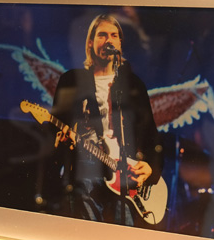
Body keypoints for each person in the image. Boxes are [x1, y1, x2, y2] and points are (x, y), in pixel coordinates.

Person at [50, 13, 162, 225]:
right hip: (86, 170)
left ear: (120, 43)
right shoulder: (71, 80)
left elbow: (150, 134)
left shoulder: (133, 84)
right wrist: (60, 141)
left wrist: (150, 168)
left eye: (114, 35)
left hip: (125, 176)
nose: (108, 40)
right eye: (102, 35)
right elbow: (52, 134)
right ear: (90, 42)